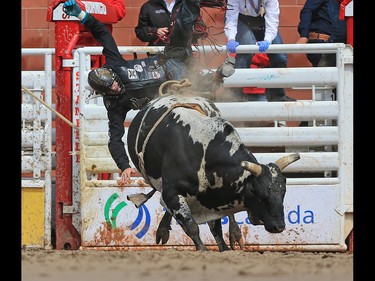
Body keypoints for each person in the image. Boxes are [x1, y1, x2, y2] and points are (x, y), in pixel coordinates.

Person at [63, 0, 235, 184]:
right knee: (192, 91)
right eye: (110, 88)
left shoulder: (114, 63)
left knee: (183, 24)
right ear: (105, 92)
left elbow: (102, 33)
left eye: (113, 82)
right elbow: (115, 138)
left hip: (171, 59)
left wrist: (82, 15)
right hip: (171, 91)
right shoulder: (114, 105)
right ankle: (216, 77)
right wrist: (124, 165)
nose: (115, 86)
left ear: (111, 74)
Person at [224, 0, 294, 102]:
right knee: (247, 49)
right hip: (242, 20)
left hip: (264, 22)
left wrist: (267, 40)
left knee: (280, 56)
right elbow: (231, 18)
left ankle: (277, 96)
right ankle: (235, 95)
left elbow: (272, 20)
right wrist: (231, 38)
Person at [296, 0, 347, 67]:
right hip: (323, 43)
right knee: (325, 75)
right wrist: (304, 35)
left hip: (340, 46)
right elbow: (307, 10)